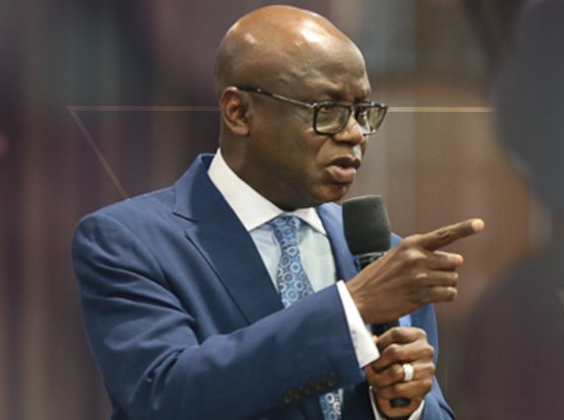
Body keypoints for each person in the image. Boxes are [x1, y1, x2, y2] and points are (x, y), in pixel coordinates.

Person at [72, 5, 483, 420]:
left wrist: (405, 408)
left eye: (362, 112)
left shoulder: (381, 256)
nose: (354, 133)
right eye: (328, 110)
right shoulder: (129, 241)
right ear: (239, 112)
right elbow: (164, 397)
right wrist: (351, 308)